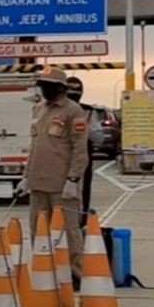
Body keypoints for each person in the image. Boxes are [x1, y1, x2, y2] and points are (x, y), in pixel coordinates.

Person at [18, 67, 88, 285]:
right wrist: (25, 176)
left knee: (69, 231)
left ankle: (75, 275)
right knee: (38, 230)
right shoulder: (38, 109)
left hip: (62, 184)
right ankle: (44, 271)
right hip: (38, 182)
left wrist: (73, 179)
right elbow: (35, 146)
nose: (43, 89)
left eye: (47, 85)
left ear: (60, 88)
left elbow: (79, 149)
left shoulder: (73, 111)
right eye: (42, 85)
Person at [65, 76, 95, 220]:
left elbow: (99, 137)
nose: (74, 93)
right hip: (60, 155)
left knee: (82, 193)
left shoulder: (88, 111)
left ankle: (81, 221)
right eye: (70, 89)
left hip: (82, 155)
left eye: (77, 90)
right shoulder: (52, 109)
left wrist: (85, 127)